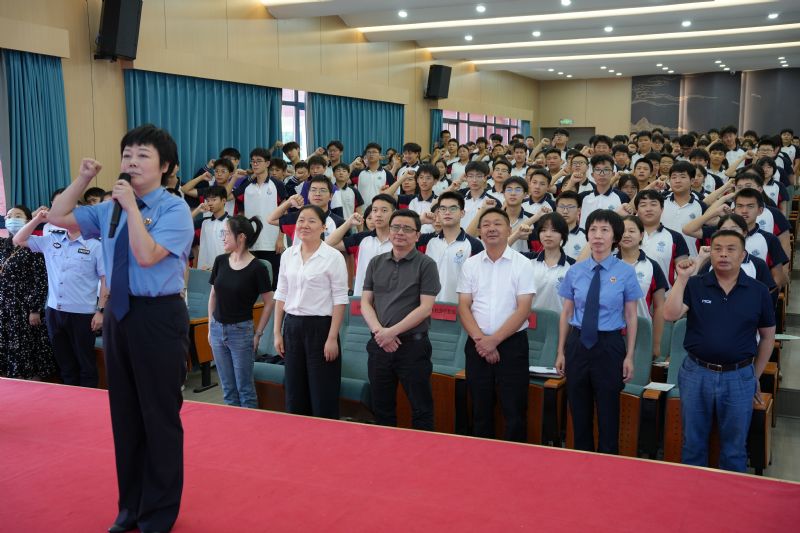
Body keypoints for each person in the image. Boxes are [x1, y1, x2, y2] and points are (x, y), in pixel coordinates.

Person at [48, 124, 194, 533]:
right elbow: (57, 216)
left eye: (143, 155)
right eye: (127, 154)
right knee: (125, 415)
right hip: (119, 314)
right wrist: (83, 179)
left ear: (165, 166)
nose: (132, 161)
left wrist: (131, 208)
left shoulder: (174, 210)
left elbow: (146, 256)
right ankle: (130, 507)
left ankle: (158, 513)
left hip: (159, 316)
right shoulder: (108, 207)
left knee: (159, 416)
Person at [664, 230, 775, 472]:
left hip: (739, 376)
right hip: (696, 373)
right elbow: (669, 314)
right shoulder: (695, 284)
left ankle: (730, 496)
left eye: (730, 249)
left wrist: (754, 376)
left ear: (743, 255)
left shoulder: (758, 291)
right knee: (692, 444)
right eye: (717, 249)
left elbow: (768, 337)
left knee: (735, 449)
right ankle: (693, 493)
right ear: (710, 253)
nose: (723, 254)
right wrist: (682, 278)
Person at [556, 209, 642, 454]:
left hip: (609, 345)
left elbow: (631, 316)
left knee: (608, 412)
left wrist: (629, 356)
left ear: (615, 237)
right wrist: (561, 351)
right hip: (578, 343)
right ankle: (582, 463)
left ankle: (608, 464)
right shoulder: (575, 271)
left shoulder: (625, 272)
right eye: (593, 229)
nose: (597, 235)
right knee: (578, 411)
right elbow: (566, 312)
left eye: (604, 230)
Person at [457, 207, 536, 441]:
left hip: (512, 346)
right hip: (477, 345)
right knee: (480, 409)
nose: (491, 228)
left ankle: (515, 459)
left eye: (497, 224)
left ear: (509, 230)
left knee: (514, 410)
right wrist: (482, 341)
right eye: (486, 224)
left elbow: (524, 309)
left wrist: (495, 340)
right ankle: (481, 458)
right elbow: (464, 306)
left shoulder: (522, 264)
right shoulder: (470, 264)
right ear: (479, 231)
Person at [361, 209, 441, 430]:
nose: (400, 232)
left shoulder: (426, 264)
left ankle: (423, 451)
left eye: (407, 229)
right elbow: (365, 302)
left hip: (412, 348)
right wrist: (380, 332)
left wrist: (391, 332)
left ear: (417, 235)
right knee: (381, 408)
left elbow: (425, 309)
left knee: (421, 409)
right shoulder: (376, 262)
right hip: (379, 345)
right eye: (395, 227)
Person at [13, 207, 107, 387]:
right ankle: (70, 399)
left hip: (83, 314)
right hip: (54, 311)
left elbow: (105, 279)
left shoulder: (96, 245)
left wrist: (101, 310)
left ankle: (88, 400)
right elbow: (18, 239)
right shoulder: (52, 239)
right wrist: (37, 220)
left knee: (86, 363)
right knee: (65, 363)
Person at [273, 205, 349, 419]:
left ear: (323, 227)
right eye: (301, 220)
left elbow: (340, 299)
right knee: (295, 390)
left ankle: (325, 436)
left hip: (321, 329)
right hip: (292, 327)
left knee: (322, 391)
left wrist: (332, 337)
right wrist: (277, 332)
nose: (304, 225)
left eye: (311, 221)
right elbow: (281, 293)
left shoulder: (333, 257)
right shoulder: (288, 255)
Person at [207, 215, 273, 409]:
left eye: (227, 233)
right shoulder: (220, 261)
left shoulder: (258, 267)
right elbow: (213, 296)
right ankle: (232, 426)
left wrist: (258, 334)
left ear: (241, 237)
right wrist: (210, 326)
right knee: (228, 388)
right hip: (217, 329)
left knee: (245, 389)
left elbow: (269, 302)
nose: (223, 237)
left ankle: (250, 426)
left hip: (241, 332)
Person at [0, 205, 55, 380]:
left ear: (27, 220)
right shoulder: (3, 244)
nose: (12, 219)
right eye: (9, 216)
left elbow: (41, 281)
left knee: (26, 345)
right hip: (4, 305)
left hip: (25, 306)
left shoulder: (34, 245)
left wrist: (35, 309)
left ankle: (30, 380)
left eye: (17, 216)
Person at [232, 147, 287, 291]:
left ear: (267, 163)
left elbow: (284, 213)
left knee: (274, 282)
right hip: (252, 242)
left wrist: (280, 238)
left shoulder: (278, 185)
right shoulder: (246, 186)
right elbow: (237, 208)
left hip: (273, 242)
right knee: (252, 283)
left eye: (258, 161)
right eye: (253, 161)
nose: (255, 164)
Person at [616, 216, 668, 359]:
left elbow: (659, 307)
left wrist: (656, 344)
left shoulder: (652, 266)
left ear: (641, 235)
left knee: (637, 372)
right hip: (611, 333)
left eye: (631, 231)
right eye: (622, 231)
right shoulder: (608, 264)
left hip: (642, 334)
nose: (626, 235)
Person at [418, 191, 483, 303]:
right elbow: (398, 241)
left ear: (462, 213)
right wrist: (420, 221)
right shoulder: (426, 241)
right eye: (443, 209)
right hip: (428, 308)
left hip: (459, 308)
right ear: (438, 213)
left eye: (453, 208)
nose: (447, 212)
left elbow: (480, 282)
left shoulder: (474, 245)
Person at [326, 194, 396, 296]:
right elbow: (329, 244)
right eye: (375, 210)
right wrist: (348, 223)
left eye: (384, 210)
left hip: (392, 298)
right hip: (362, 298)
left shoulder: (400, 240)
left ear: (394, 213)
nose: (378, 214)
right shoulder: (362, 238)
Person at [528, 212, 575, 313]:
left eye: (554, 230)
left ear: (562, 235)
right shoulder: (528, 260)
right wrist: (517, 234)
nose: (548, 235)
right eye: (543, 230)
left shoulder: (572, 265)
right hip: (530, 320)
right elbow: (501, 251)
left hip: (560, 321)